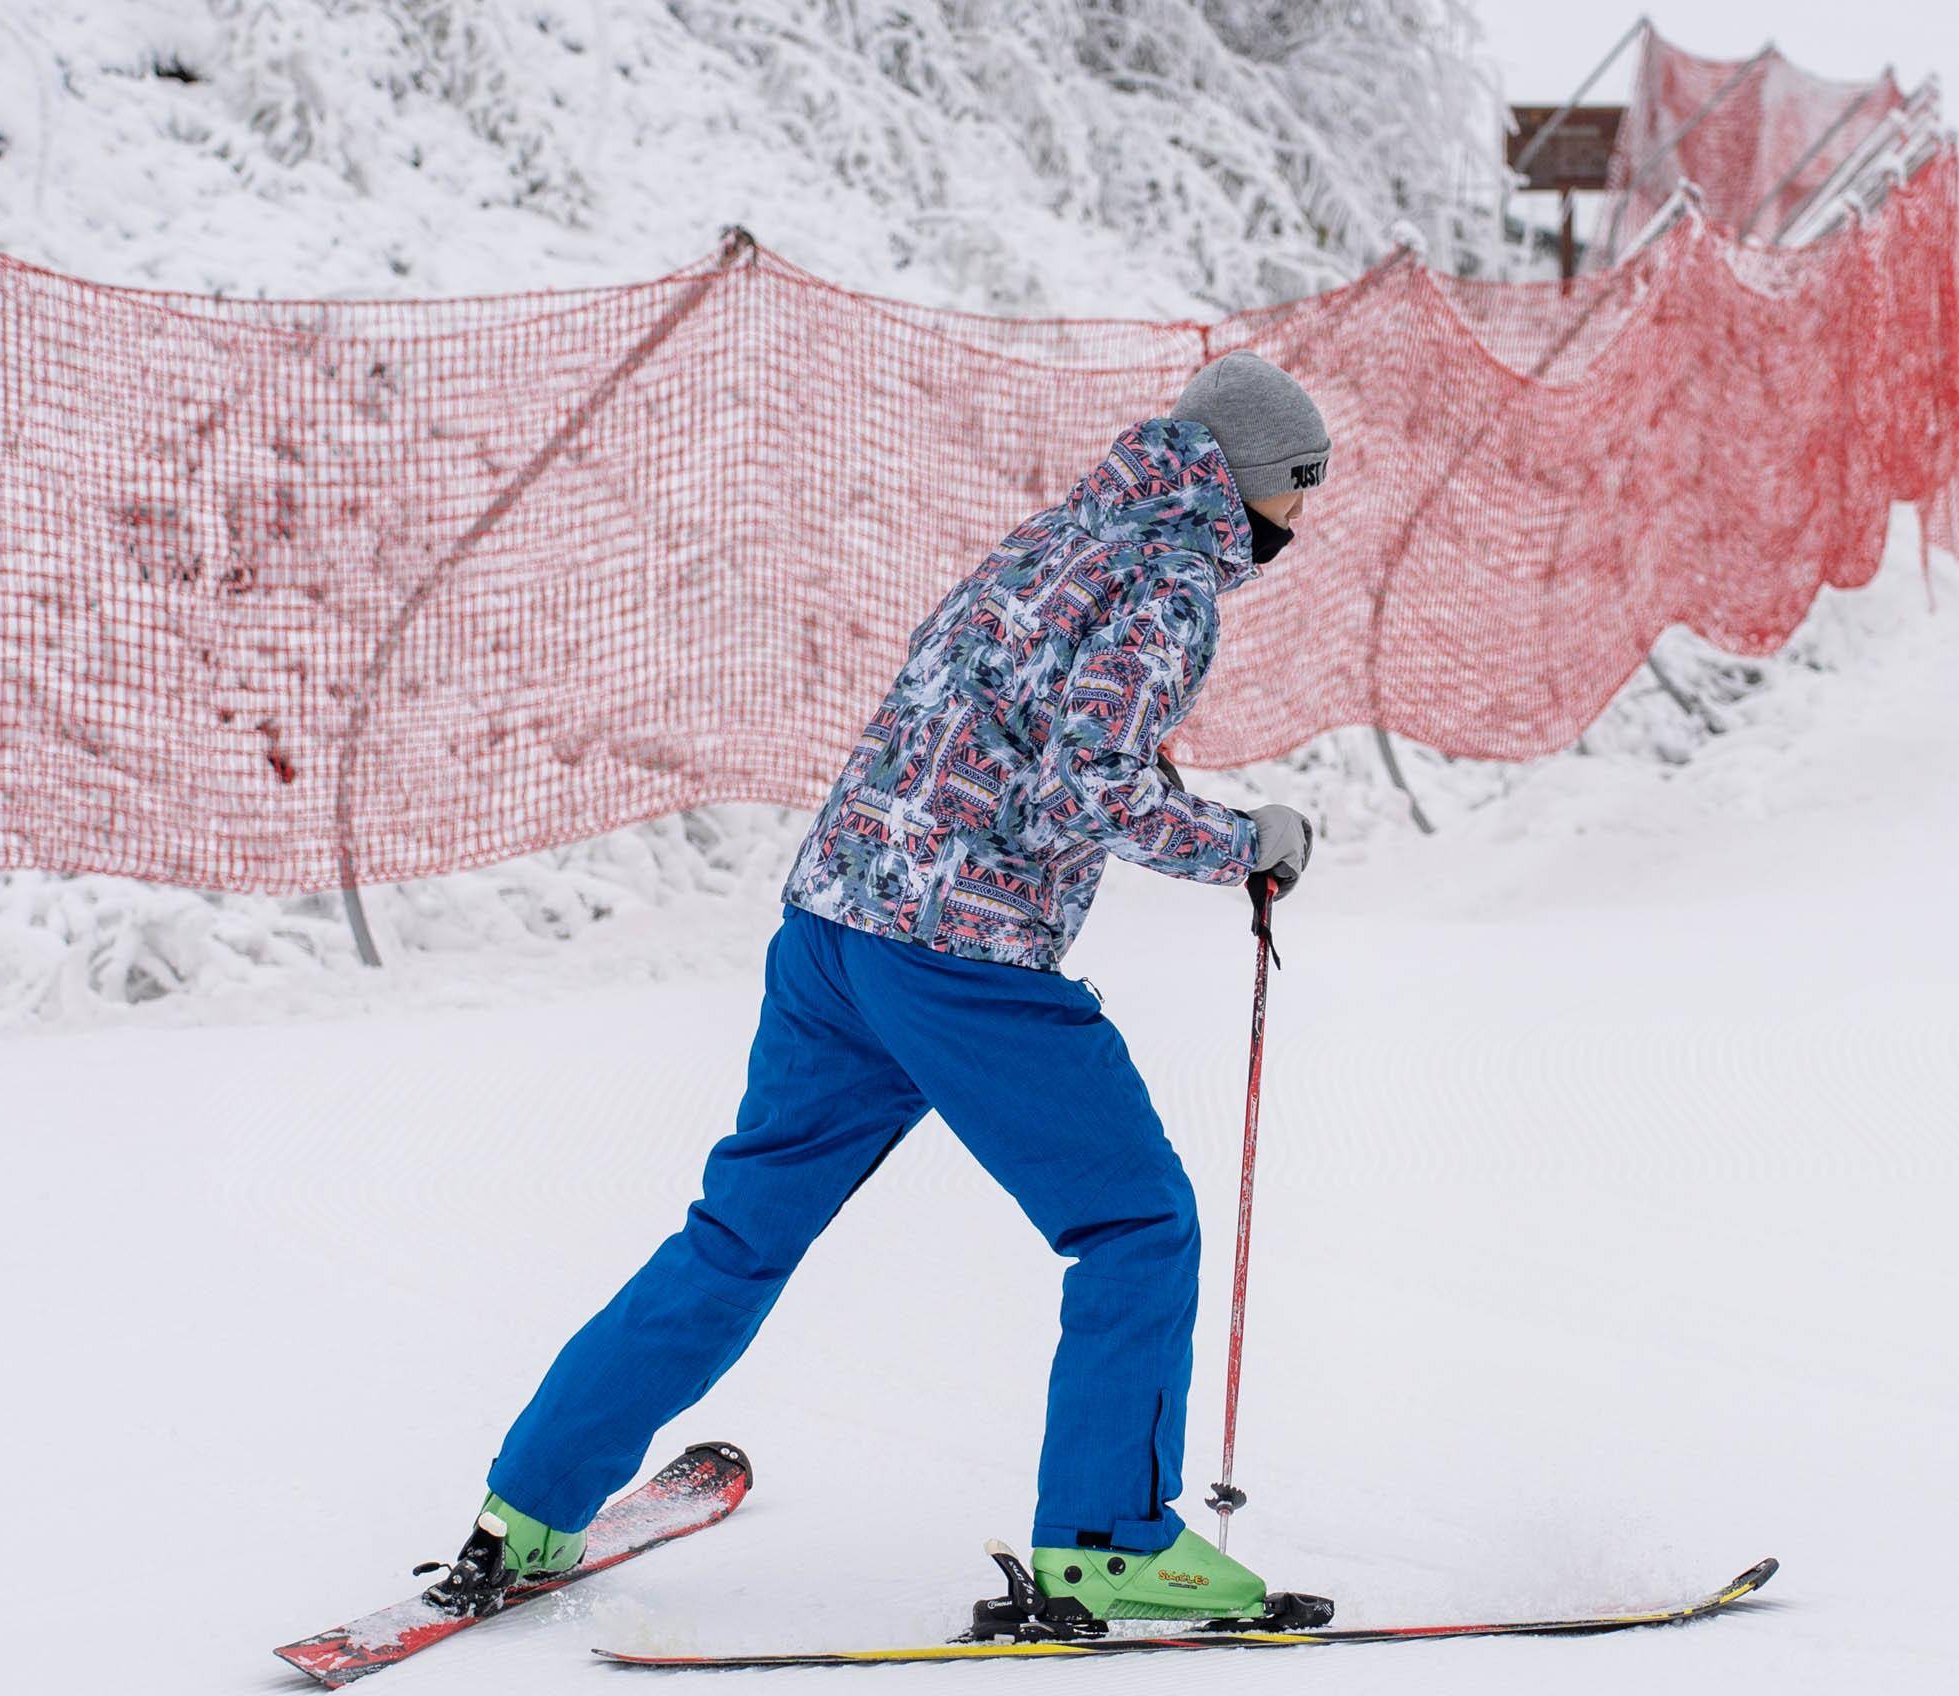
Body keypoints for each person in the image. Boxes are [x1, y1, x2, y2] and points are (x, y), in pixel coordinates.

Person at [427, 352, 1329, 1626]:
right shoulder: (1171, 583)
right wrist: (1247, 840)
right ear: (1257, 485)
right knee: (1135, 1224)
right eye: (1303, 491)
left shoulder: (1063, 534)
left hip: (834, 924)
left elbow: (1006, 720)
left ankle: (531, 1505)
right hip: (957, 953)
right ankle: (1109, 1540)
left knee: (737, 1235)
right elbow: (1089, 777)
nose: (1301, 519)